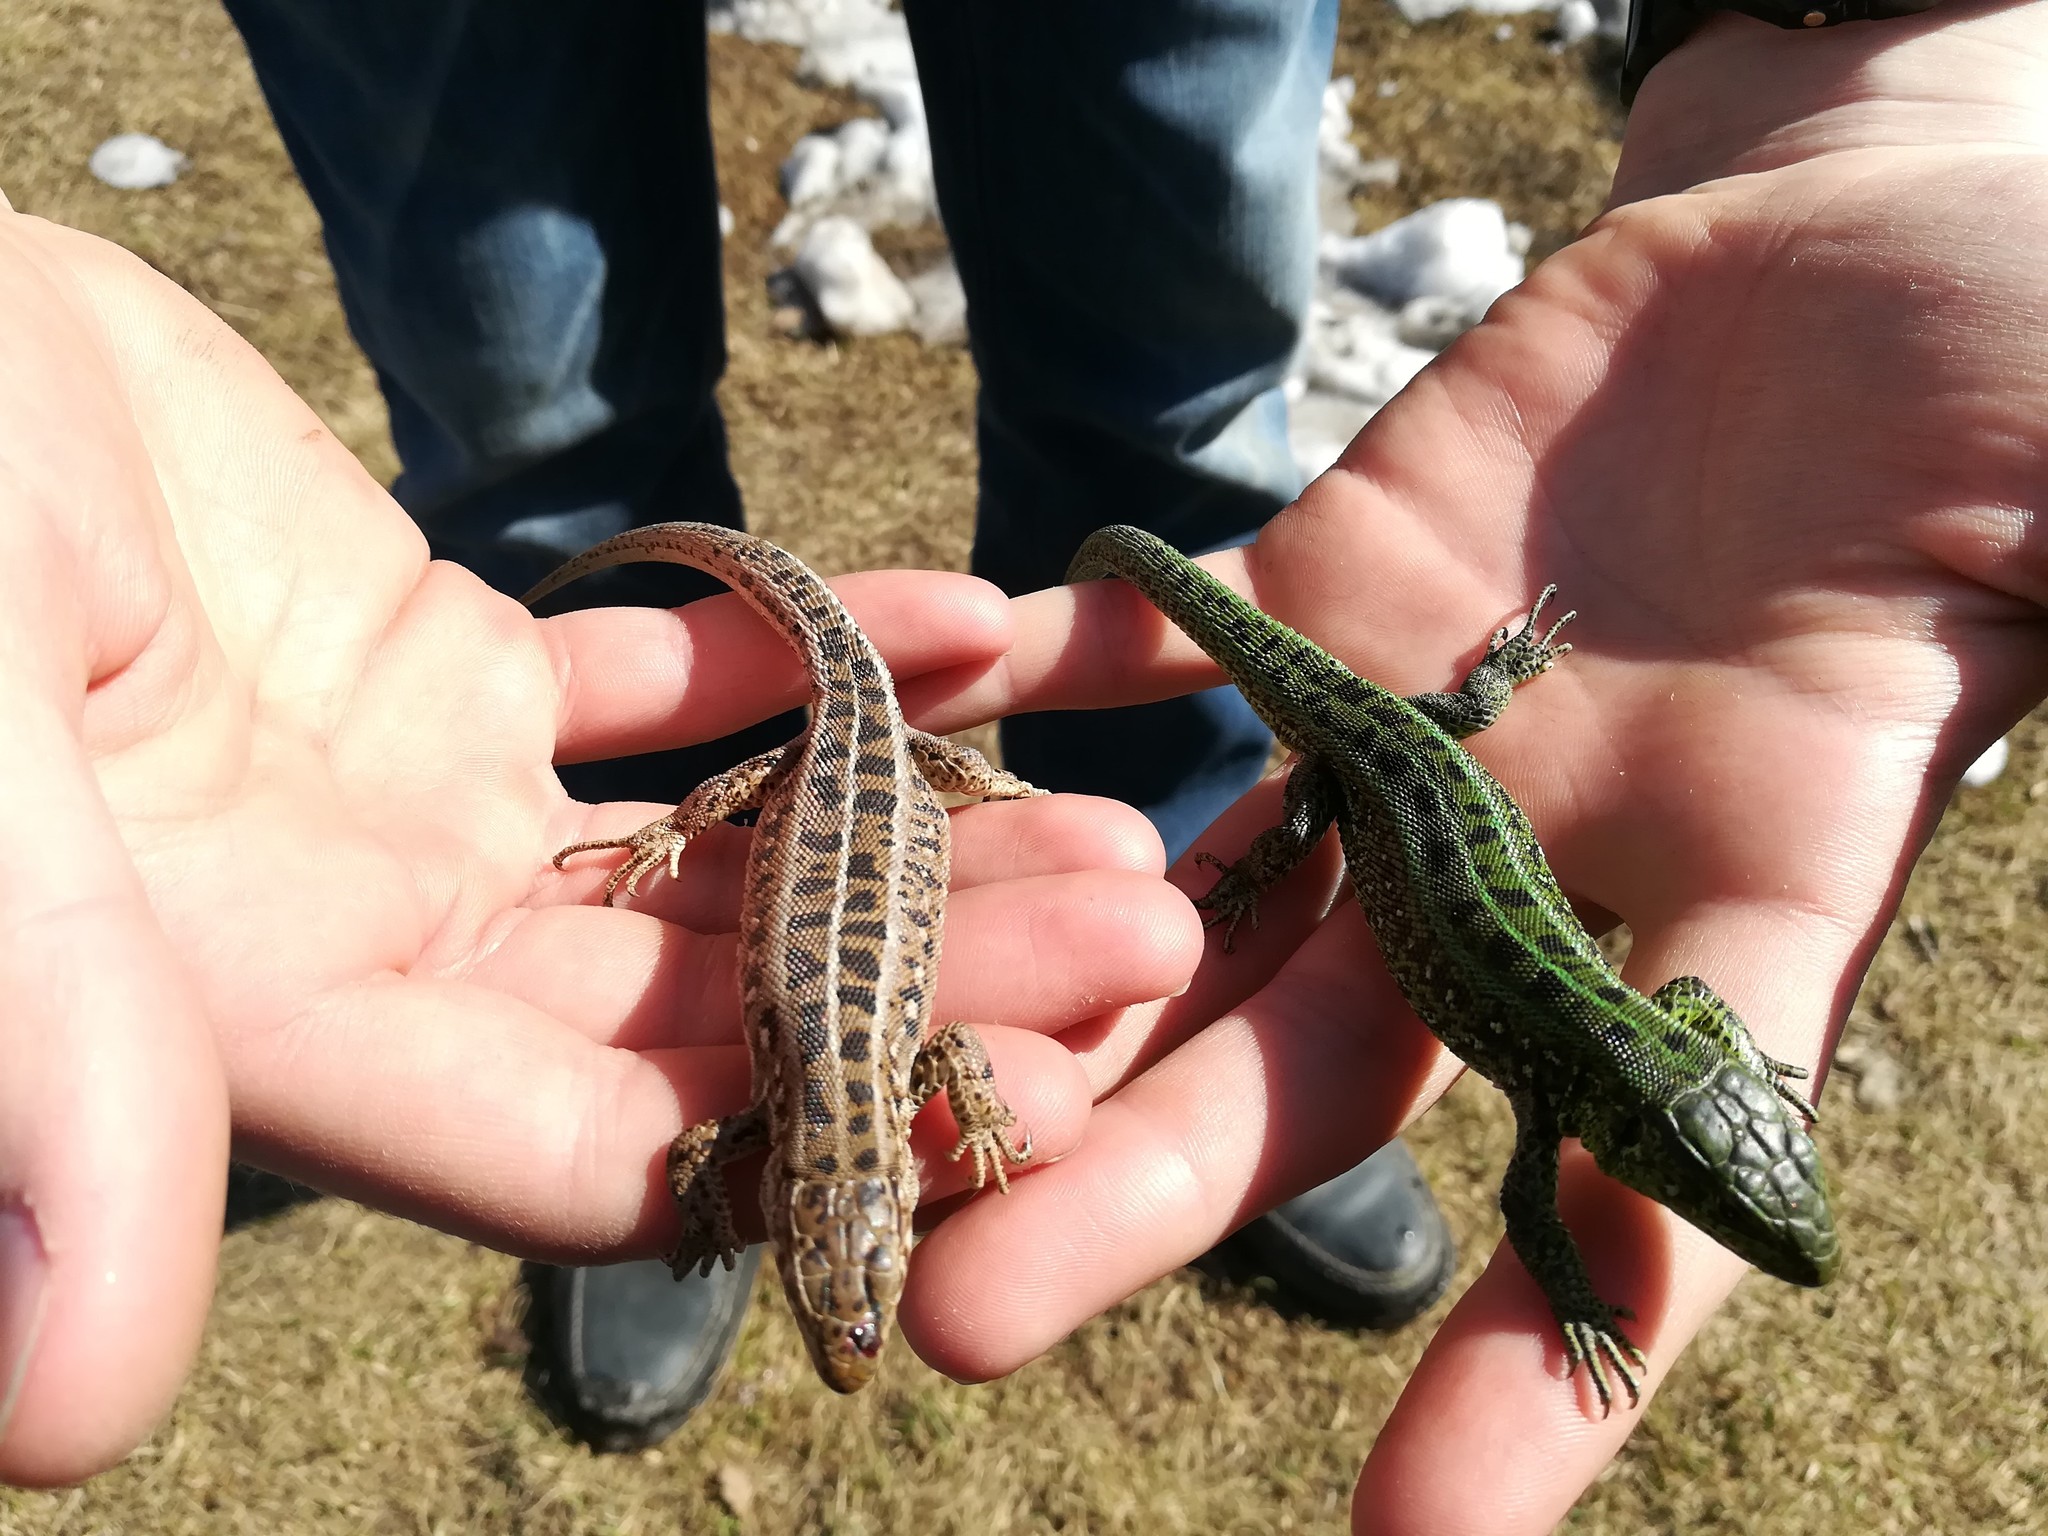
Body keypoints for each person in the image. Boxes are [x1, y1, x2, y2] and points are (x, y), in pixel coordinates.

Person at [4, 0, 2043, 1529]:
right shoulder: (875, 1094)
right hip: (1225, 779)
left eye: (843, 1228)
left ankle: (1170, 934)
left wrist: (1881, 70)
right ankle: (1133, 904)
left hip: (1285, 766)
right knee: (533, 420)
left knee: (1179, 412)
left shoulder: (1605, 1067)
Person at [208, 0, 1459, 1452]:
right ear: (820, 1207)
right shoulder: (799, 1106)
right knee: (532, 409)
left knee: (1170, 380)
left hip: (848, 784)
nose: (847, 1318)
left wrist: (701, 852)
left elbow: (715, 1140)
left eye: (831, 1280)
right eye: (838, 1283)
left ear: (825, 1207)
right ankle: (1136, 948)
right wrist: (694, 834)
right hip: (857, 785)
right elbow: (871, 1093)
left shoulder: (776, 1111)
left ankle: (1211, 990)